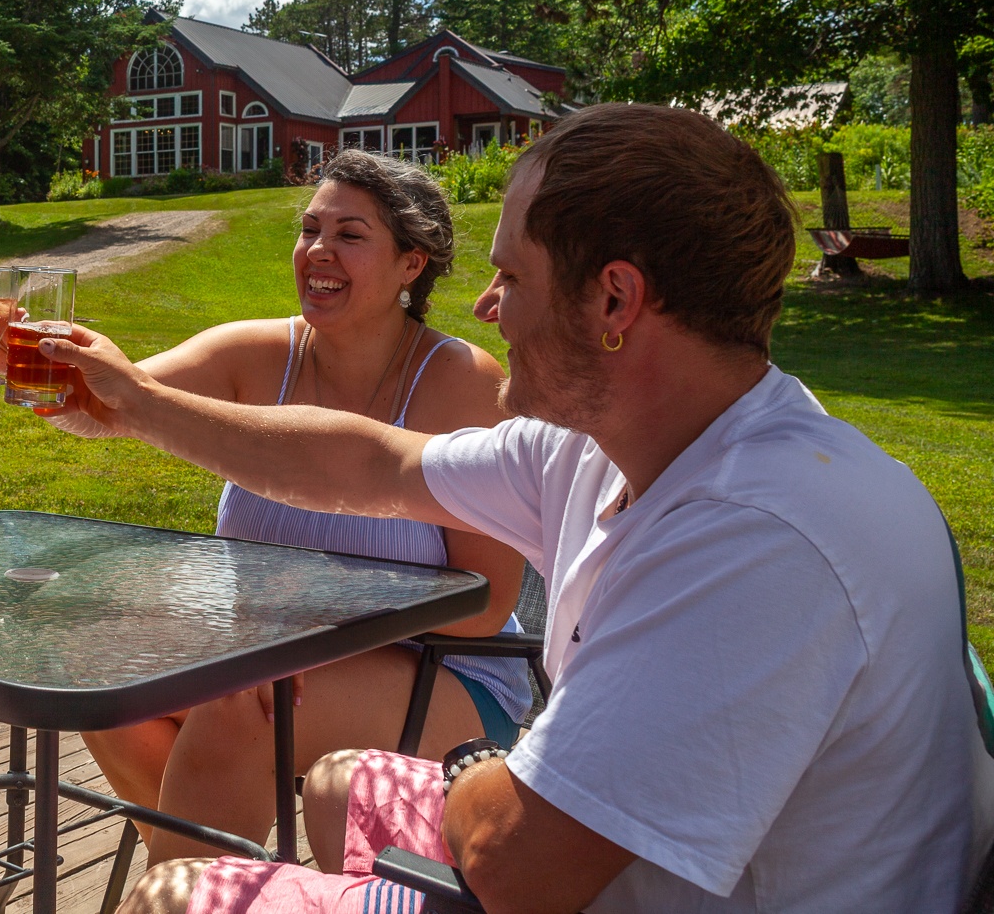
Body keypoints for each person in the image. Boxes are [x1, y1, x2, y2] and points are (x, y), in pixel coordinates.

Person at [50, 105, 994, 913]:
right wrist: (136, 401)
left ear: (614, 299)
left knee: (183, 895)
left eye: (514, 276)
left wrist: (475, 767)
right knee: (342, 781)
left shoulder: (757, 536)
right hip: (626, 864)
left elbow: (512, 863)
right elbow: (373, 461)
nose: (490, 306)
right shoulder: (610, 439)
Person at [64, 149, 528, 861]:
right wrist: (37, 363)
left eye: (349, 234)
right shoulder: (256, 353)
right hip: (267, 653)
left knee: (243, 693)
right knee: (99, 665)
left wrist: (307, 626)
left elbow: (489, 603)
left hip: (447, 670)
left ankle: (190, 888)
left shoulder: (462, 382)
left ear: (412, 263)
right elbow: (112, 402)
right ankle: (218, 881)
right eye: (309, 228)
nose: (317, 250)